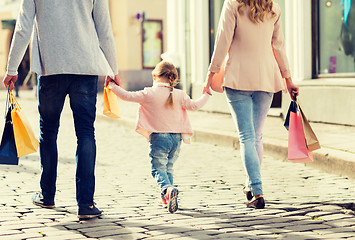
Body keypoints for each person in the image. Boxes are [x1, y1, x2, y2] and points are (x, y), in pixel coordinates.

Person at [2, 0, 120, 219]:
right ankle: (86, 204)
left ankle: (47, 195)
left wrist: (12, 68)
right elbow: (104, 30)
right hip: (85, 68)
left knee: (48, 132)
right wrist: (113, 69)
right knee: (86, 133)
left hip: (51, 69)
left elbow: (23, 26)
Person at [204, 0, 299, 209]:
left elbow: (222, 41)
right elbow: (278, 46)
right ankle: (250, 185)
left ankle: (257, 191)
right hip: (266, 77)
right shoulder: (273, 7)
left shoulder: (232, 4)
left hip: (238, 76)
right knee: (256, 136)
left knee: (247, 136)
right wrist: (288, 78)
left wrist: (211, 74)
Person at [108, 61, 211, 213]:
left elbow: (127, 96)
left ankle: (167, 189)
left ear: (155, 76)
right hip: (176, 139)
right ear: (174, 79)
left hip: (159, 138)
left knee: (157, 169)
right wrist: (207, 94)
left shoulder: (149, 93)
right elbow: (195, 105)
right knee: (168, 167)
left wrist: (112, 86)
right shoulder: (180, 94)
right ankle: (166, 198)